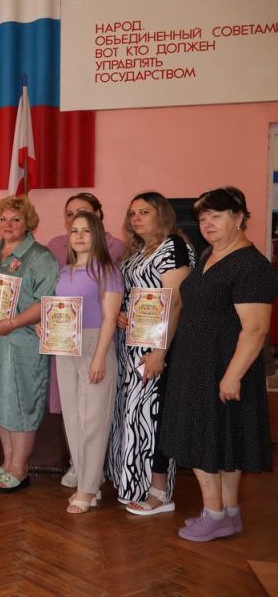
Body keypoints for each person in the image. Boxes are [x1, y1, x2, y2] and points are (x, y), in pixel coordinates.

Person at [161, 187, 277, 541]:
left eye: (216, 216)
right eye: (202, 217)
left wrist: (232, 376)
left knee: (203, 441)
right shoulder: (211, 254)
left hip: (224, 369)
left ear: (239, 217)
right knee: (221, 443)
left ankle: (213, 513)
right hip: (197, 365)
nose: (207, 224)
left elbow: (256, 329)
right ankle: (228, 512)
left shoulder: (251, 265)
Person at [108, 191, 193, 514]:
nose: (137, 218)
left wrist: (159, 351)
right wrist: (120, 315)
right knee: (131, 416)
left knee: (151, 418)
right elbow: (132, 297)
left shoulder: (175, 246)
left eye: (144, 211)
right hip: (129, 345)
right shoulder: (136, 252)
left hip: (157, 348)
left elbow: (175, 302)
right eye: (132, 213)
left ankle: (159, 492)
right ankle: (131, 484)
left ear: (162, 214)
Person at [0, 195, 58, 493]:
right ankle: (8, 462)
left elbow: (45, 302)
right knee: (0, 401)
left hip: (20, 342)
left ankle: (20, 468)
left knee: (20, 403)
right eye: (4, 219)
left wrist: (13, 323)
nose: (9, 225)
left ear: (28, 223)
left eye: (16, 219)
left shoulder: (41, 256)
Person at [44, 192, 125, 488]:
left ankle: (88, 490)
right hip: (65, 348)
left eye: (86, 230)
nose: (78, 236)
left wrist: (100, 356)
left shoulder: (108, 271)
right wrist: (46, 328)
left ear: (98, 234)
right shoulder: (64, 272)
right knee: (74, 420)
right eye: (74, 230)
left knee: (93, 422)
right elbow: (57, 311)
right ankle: (86, 482)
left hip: (94, 346)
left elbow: (109, 318)